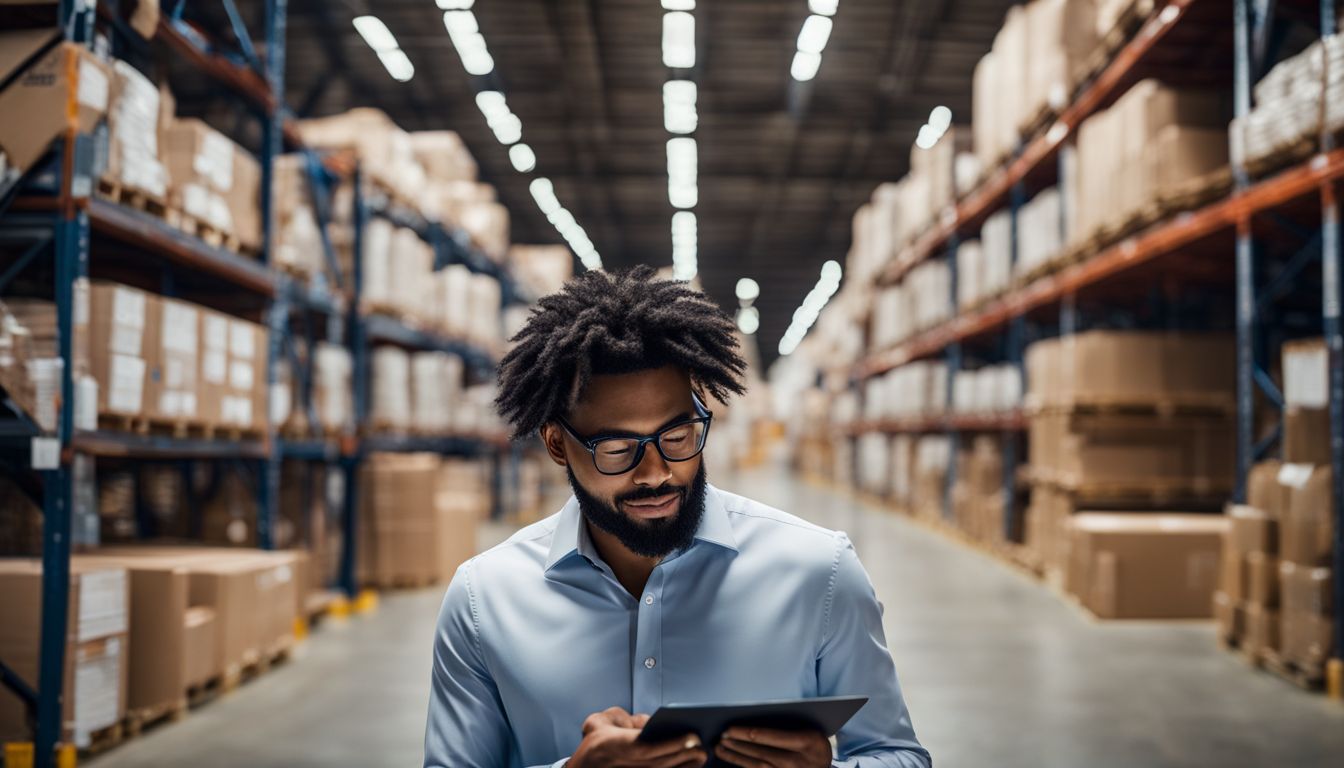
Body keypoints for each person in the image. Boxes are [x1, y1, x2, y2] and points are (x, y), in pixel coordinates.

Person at [424, 266, 930, 768]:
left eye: (677, 436)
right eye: (617, 447)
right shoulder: (483, 601)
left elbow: (900, 755)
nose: (656, 472)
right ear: (557, 444)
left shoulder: (820, 572)